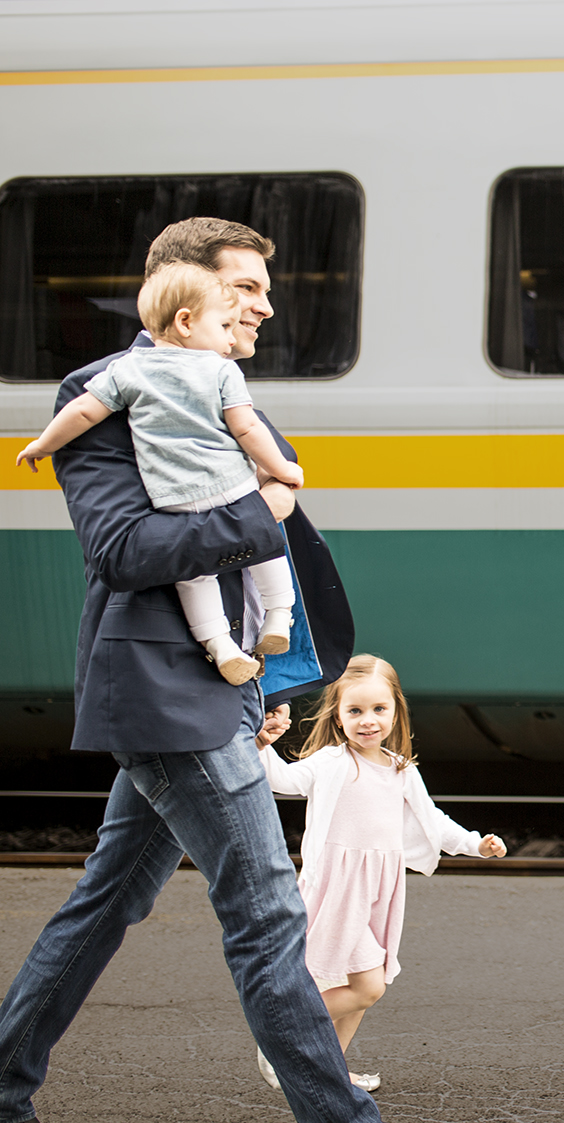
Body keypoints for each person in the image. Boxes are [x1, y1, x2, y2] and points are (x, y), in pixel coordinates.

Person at [0, 217, 381, 1123]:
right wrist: (264, 509)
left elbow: (247, 556)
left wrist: (266, 687)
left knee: (106, 902)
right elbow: (126, 548)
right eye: (245, 286)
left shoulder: (220, 380)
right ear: (182, 285)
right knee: (266, 911)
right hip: (165, 690)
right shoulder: (105, 391)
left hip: (214, 687)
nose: (265, 303)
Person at [16, 261, 303, 684]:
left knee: (196, 581)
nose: (259, 311)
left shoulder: (125, 373)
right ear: (185, 319)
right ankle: (280, 616)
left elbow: (82, 412)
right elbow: (246, 429)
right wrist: (282, 474)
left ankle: (222, 648)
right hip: (229, 492)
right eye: (241, 291)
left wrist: (42, 444)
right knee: (267, 548)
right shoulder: (220, 370)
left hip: (177, 499)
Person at [257, 655, 507, 1093]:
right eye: (354, 711)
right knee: (368, 987)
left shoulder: (400, 769)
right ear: (337, 714)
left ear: (396, 711)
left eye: (378, 710)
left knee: (358, 992)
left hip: (378, 891)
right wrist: (262, 742)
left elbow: (432, 821)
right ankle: (279, 1034)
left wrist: (474, 844)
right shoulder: (333, 762)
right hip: (338, 888)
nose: (367, 721)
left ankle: (327, 1074)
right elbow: (284, 780)